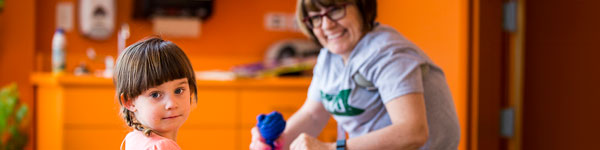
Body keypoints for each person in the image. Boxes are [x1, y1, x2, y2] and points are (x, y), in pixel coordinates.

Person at [250, 0, 460, 149]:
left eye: (335, 10)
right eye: (315, 17)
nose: (327, 25)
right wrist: (278, 142)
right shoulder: (328, 57)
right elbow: (313, 115)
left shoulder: (388, 53)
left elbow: (413, 132)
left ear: (361, 5)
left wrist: (332, 148)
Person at [113, 37, 198, 150]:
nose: (172, 104)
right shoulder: (162, 146)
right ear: (129, 101)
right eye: (155, 95)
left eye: (178, 91)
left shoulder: (134, 138)